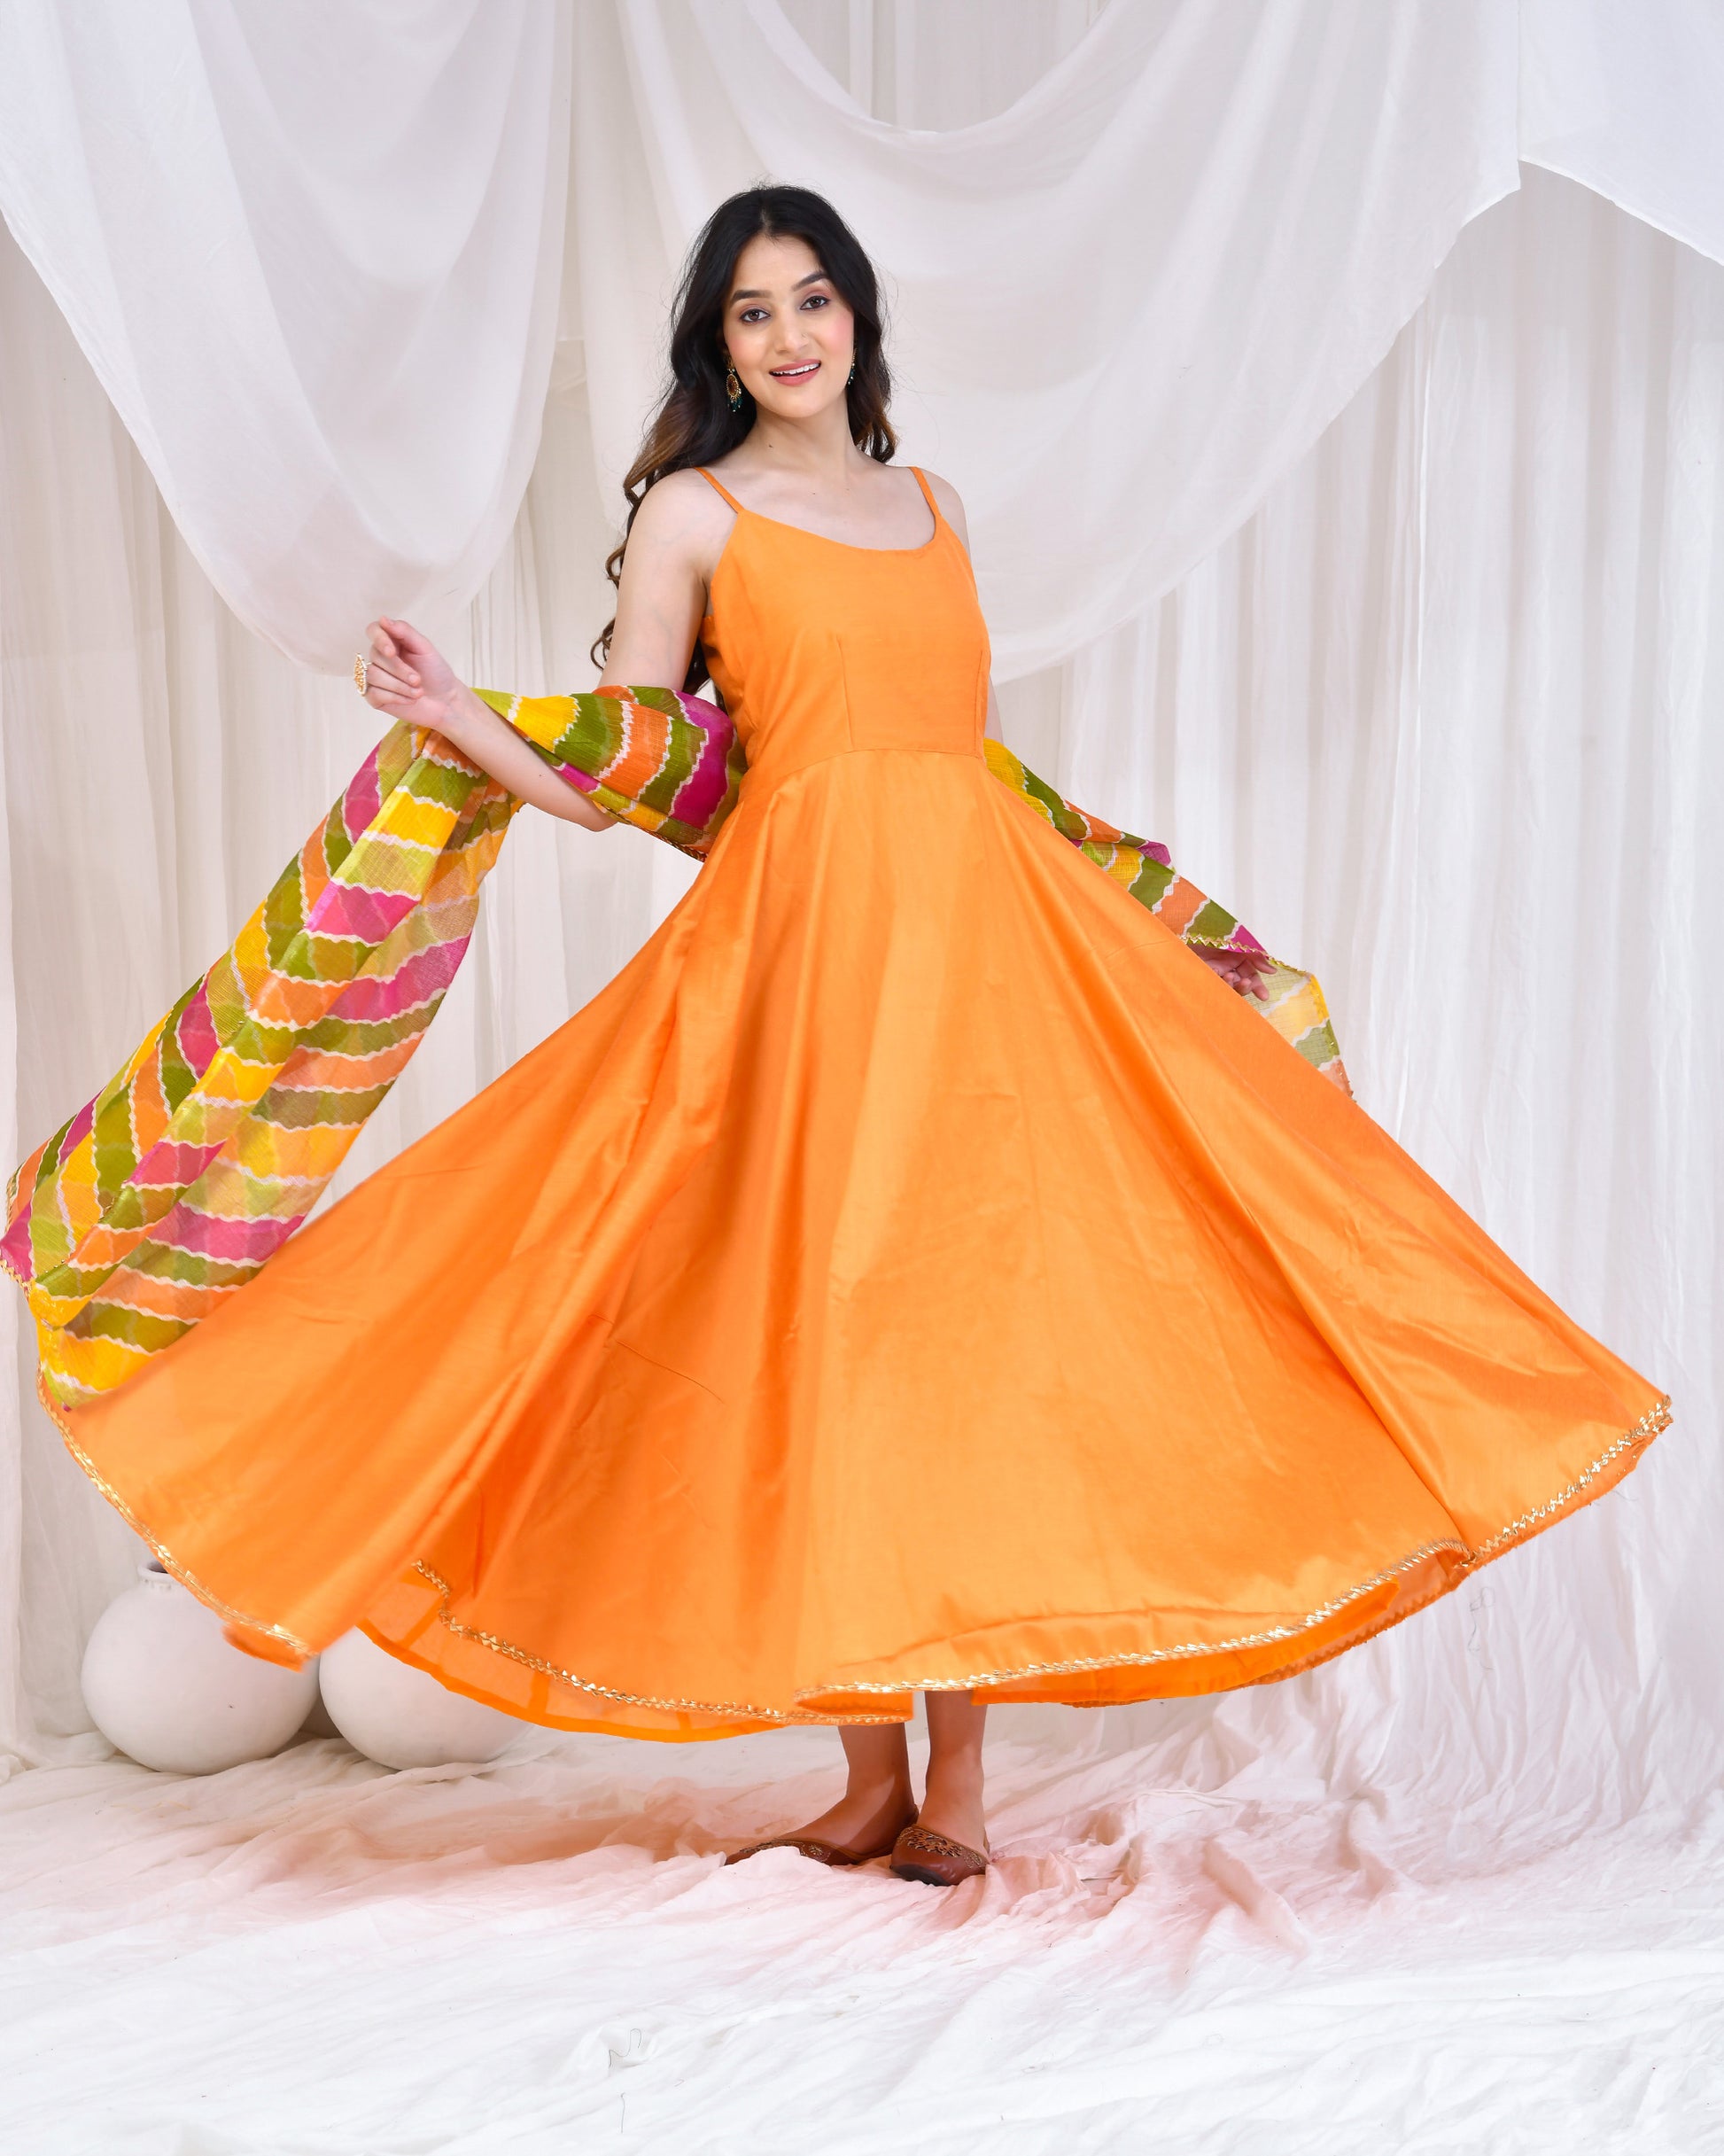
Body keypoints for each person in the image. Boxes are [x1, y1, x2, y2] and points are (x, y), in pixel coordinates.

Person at [57, 186, 1666, 1887]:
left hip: (982, 961)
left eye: (812, 299)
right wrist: (459, 713)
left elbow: (962, 752)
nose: (789, 335)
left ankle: (956, 1782)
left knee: (959, 1344)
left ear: (856, 318)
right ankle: (863, 1777)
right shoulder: (692, 514)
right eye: (751, 311)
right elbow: (630, 779)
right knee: (814, 1339)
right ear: (720, 345)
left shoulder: (934, 504)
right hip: (802, 966)